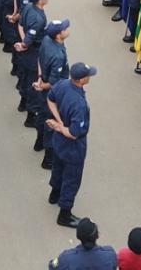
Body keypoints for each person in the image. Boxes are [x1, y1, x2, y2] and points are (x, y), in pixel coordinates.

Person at [47, 62, 95, 228]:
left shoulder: (63, 84)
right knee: (72, 178)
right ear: (81, 80)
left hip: (58, 142)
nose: (90, 77)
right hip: (73, 148)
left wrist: (58, 120)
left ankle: (54, 194)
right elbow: (74, 133)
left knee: (58, 167)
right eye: (88, 75)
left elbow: (50, 99)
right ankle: (65, 214)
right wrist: (60, 126)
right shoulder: (79, 104)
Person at [50, 218, 117, 269]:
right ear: (97, 236)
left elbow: (52, 267)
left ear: (78, 237)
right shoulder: (110, 254)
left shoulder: (65, 258)